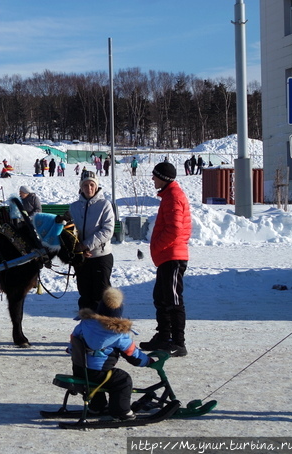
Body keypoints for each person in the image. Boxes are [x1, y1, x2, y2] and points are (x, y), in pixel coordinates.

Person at [70, 287, 157, 421]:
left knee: (96, 379)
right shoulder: (118, 333)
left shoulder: (84, 324)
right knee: (122, 380)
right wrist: (148, 361)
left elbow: (72, 343)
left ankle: (97, 406)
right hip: (98, 373)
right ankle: (121, 411)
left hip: (80, 369)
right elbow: (133, 355)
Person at [140, 162, 191, 358]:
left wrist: (157, 246)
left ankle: (178, 342)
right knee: (161, 298)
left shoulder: (173, 197)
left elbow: (175, 230)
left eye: (155, 175)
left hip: (173, 256)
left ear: (163, 178)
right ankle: (163, 337)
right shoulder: (169, 196)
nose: (152, 178)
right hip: (167, 256)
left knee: (173, 300)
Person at [69, 171, 115, 311]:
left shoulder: (105, 205)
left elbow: (107, 230)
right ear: (81, 187)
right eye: (85, 185)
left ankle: (105, 323)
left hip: (101, 257)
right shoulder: (74, 207)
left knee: (101, 295)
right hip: (82, 258)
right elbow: (70, 231)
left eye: (92, 184)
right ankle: (87, 323)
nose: (89, 188)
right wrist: (78, 249)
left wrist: (87, 245)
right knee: (85, 295)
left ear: (96, 186)